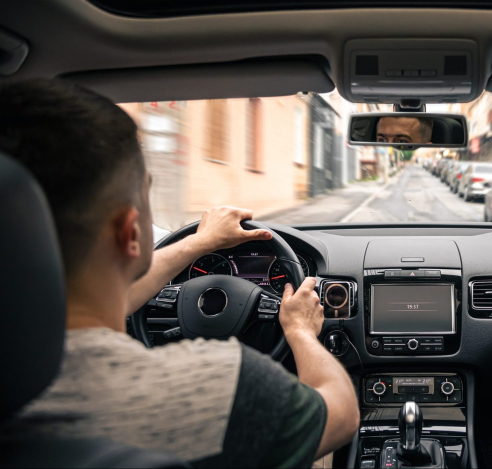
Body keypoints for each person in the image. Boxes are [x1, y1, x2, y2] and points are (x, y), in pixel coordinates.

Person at [0, 79, 359, 467]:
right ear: (131, 232)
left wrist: (198, 244)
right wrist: (301, 333)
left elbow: (124, 295)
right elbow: (341, 415)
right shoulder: (216, 387)